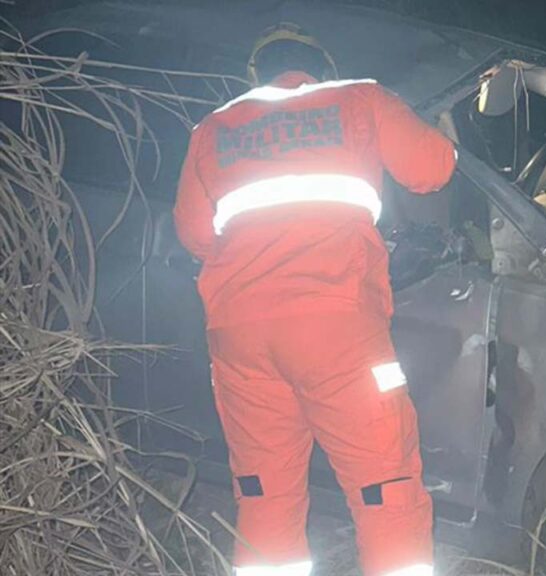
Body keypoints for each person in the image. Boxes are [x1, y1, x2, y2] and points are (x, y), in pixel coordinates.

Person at [173, 22, 456, 576]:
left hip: (239, 335)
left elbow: (195, 236)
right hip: (337, 330)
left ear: (254, 75)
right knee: (385, 487)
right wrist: (443, 130)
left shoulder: (212, 127)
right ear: (321, 68)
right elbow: (432, 169)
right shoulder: (360, 98)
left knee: (262, 492)